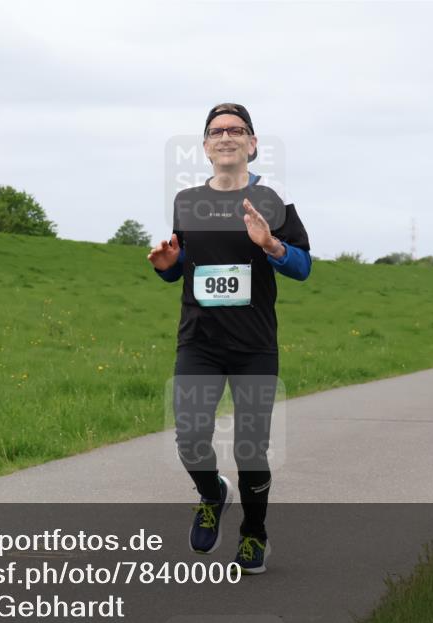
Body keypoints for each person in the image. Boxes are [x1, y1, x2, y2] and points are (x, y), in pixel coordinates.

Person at [148, 103, 311, 574]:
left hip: (254, 345)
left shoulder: (273, 200)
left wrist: (271, 245)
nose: (226, 136)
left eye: (237, 130)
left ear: (252, 144)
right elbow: (184, 264)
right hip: (199, 341)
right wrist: (168, 267)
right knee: (189, 439)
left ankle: (254, 534)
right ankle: (211, 493)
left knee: (250, 449)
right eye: (216, 131)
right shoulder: (187, 201)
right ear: (205, 146)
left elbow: (303, 266)